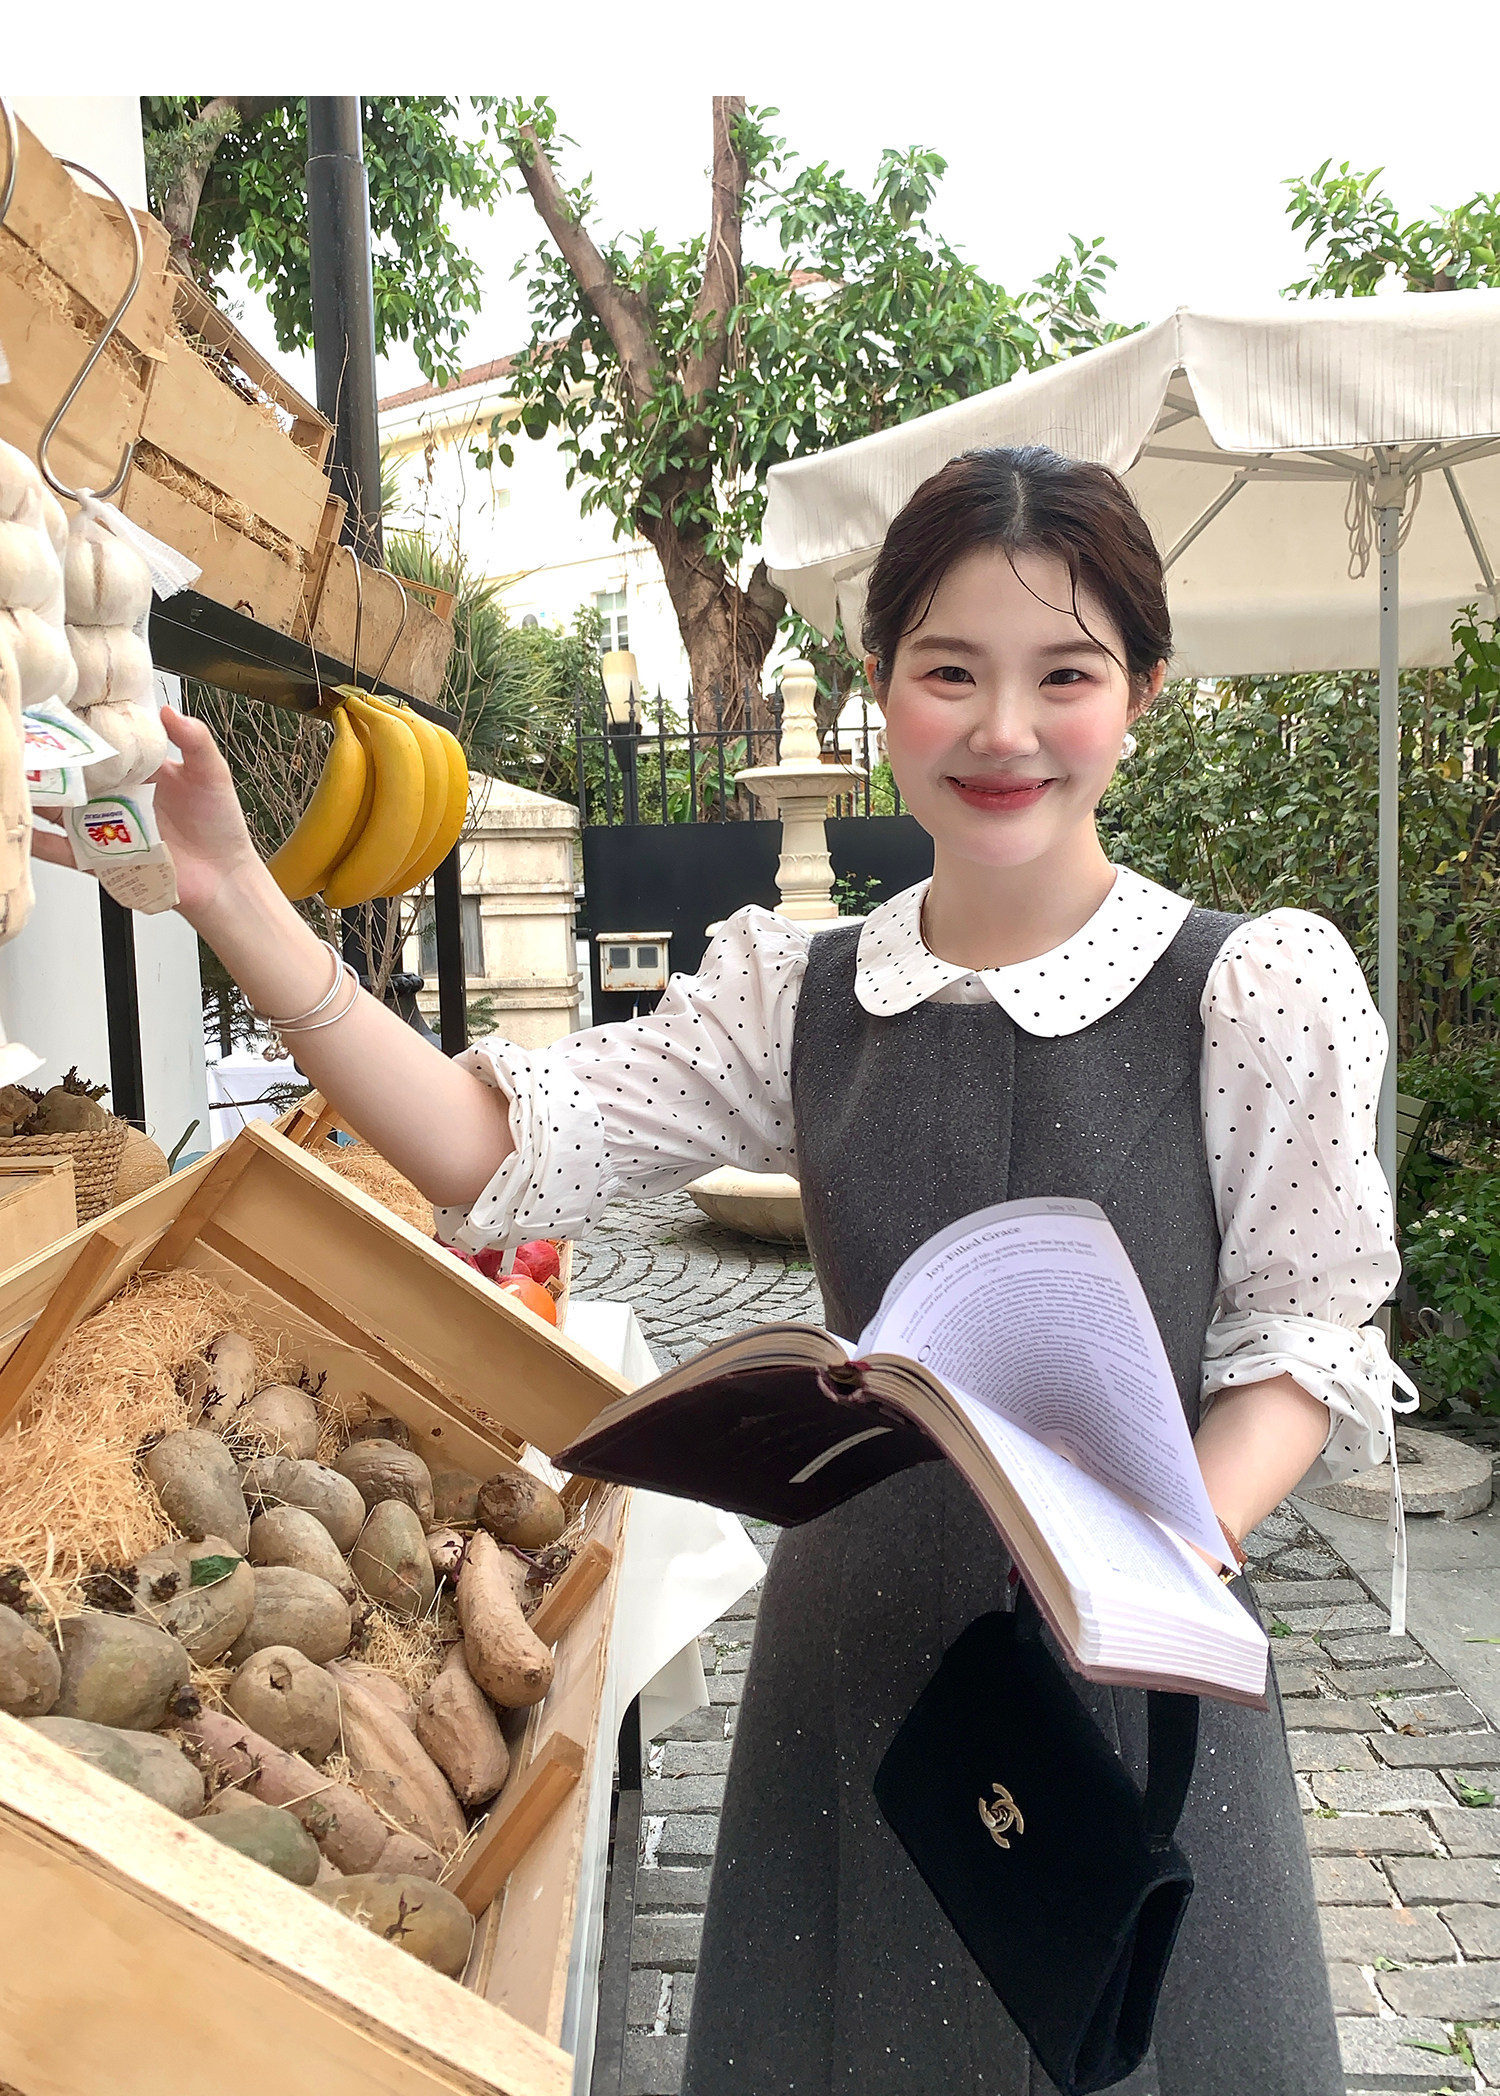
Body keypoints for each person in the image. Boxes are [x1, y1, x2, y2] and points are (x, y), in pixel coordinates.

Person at [36, 445, 1405, 2094]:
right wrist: (232, 893)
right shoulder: (802, 991)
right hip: (862, 1655)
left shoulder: (1253, 988)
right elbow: (485, 1144)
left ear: (1143, 696)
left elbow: (1306, 1333)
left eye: (1067, 674)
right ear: (879, 686)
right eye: (950, 672)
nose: (1004, 729)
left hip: (1138, 1660)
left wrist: (1162, 1562)